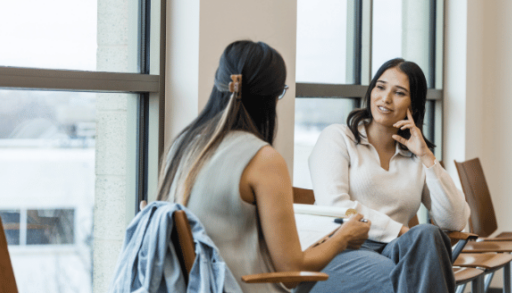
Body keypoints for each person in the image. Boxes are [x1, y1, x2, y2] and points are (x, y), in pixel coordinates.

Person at [156, 40, 370, 293]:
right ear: (271, 97)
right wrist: (344, 237)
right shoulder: (263, 159)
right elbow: (290, 271)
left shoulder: (183, 145)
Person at [304, 58, 471, 293]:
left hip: (392, 251)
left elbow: (454, 220)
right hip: (338, 250)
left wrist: (426, 157)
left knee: (427, 233)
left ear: (413, 105)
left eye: (399, 92)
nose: (386, 98)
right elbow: (335, 205)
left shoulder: (414, 157)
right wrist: (400, 231)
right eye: (380, 87)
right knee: (408, 276)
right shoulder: (338, 138)